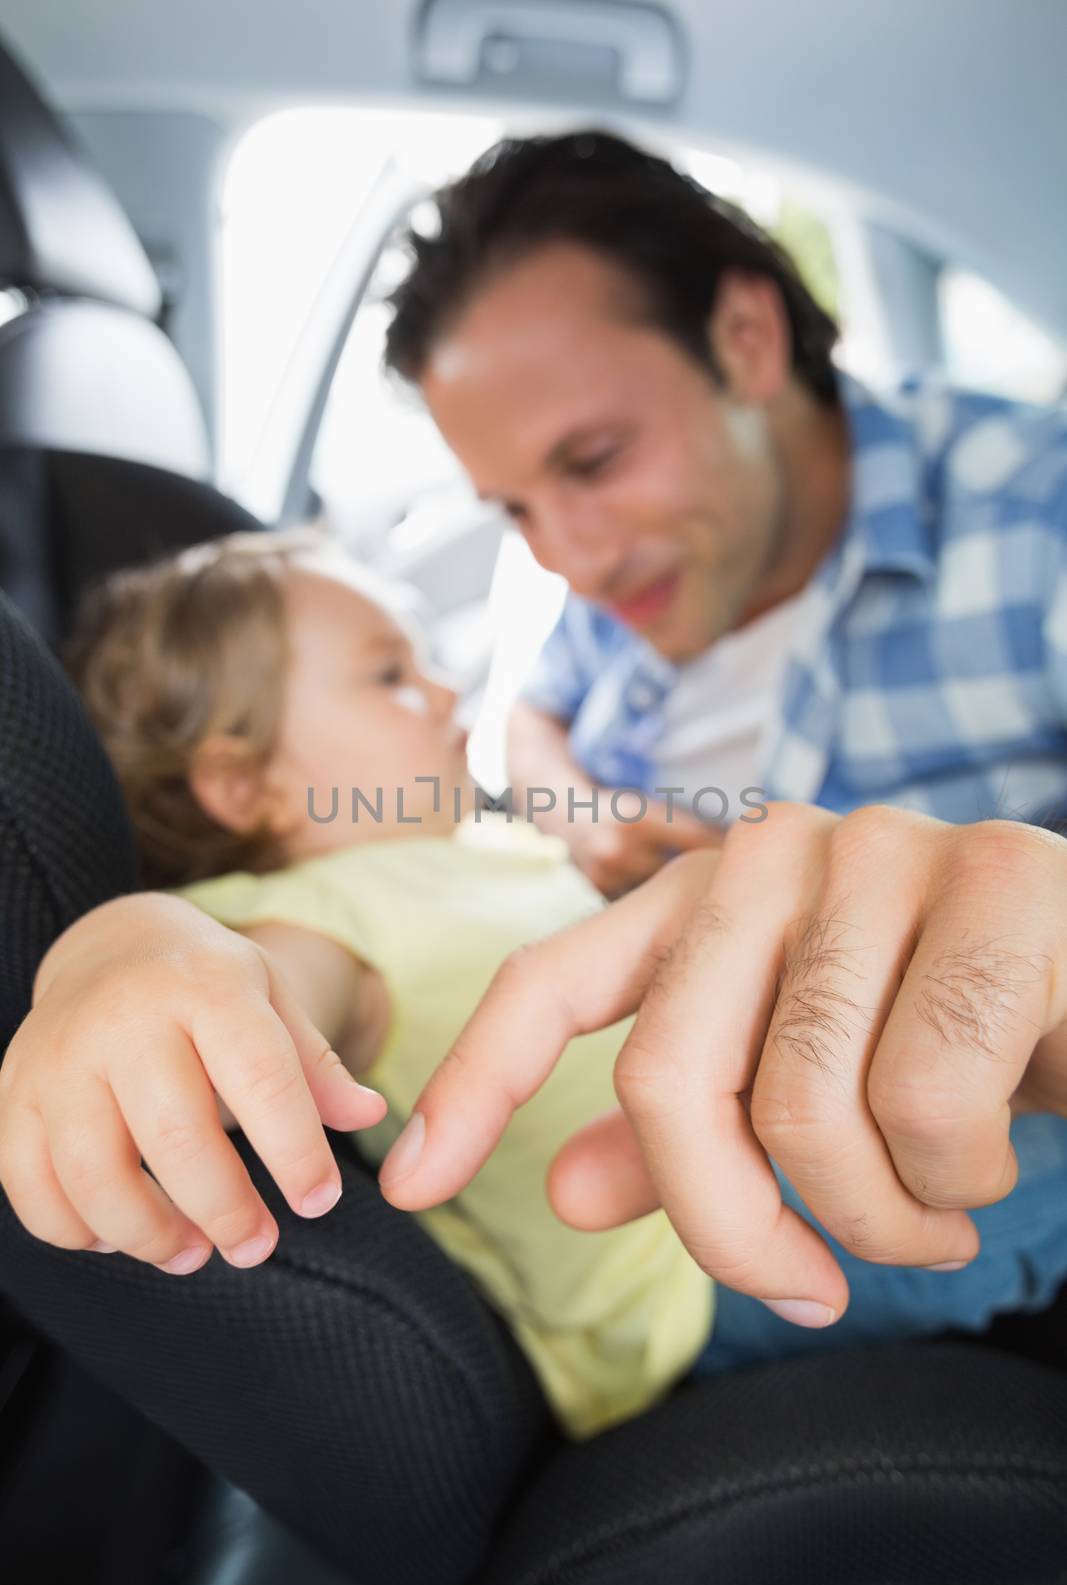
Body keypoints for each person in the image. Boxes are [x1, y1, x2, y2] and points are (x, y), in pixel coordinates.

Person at [370, 127, 1067, 1336]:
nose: (567, 557)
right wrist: (582, 816)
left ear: (744, 339)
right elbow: (526, 718)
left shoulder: (1033, 523)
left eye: (591, 460)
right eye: (515, 508)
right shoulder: (629, 585)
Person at [0, 528, 717, 1440]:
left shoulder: (465, 845)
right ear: (241, 781)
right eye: (390, 676)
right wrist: (118, 950)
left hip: (737, 1154)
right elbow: (216, 974)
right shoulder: (308, 915)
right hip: (676, 1283)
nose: (447, 690)